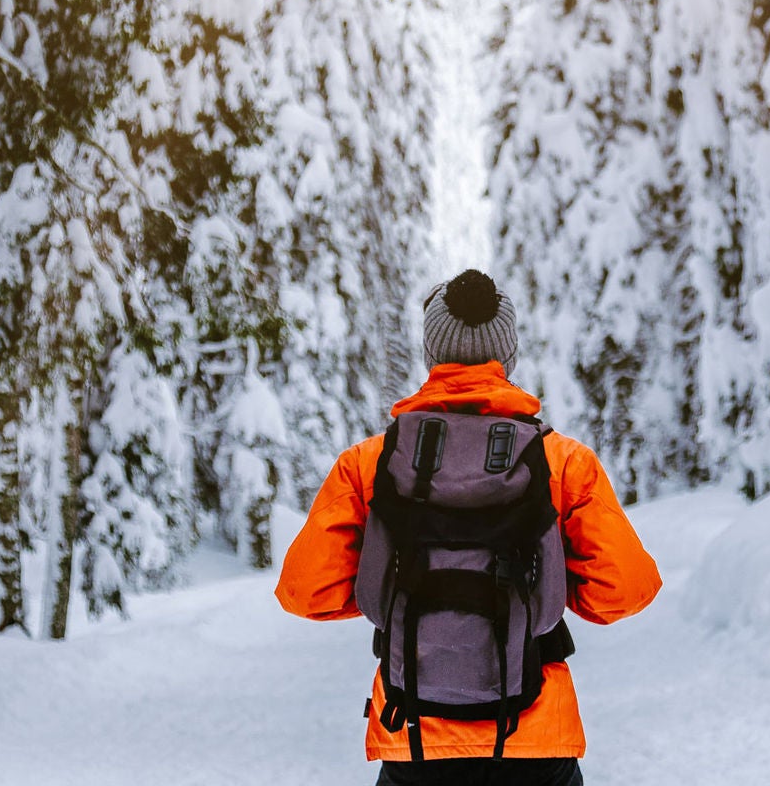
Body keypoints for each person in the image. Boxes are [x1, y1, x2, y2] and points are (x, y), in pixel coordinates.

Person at [276, 269, 662, 784]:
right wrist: (540, 579)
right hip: (533, 741)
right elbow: (626, 590)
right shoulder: (561, 462)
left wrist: (395, 585)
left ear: (432, 355)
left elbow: (306, 591)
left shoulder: (371, 463)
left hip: (412, 736)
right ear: (508, 357)